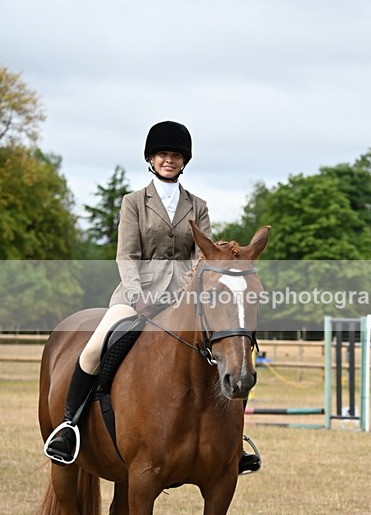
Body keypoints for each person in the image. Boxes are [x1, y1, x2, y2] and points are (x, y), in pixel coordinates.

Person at [44, 120, 261, 475]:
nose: (168, 160)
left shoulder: (198, 205)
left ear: (184, 161)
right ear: (151, 158)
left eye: (175, 155)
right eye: (162, 154)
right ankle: (69, 427)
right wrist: (136, 294)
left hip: (186, 299)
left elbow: (202, 254)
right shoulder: (133, 203)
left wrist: (195, 291)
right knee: (95, 347)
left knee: (231, 349)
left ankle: (233, 444)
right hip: (137, 295)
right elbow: (126, 255)